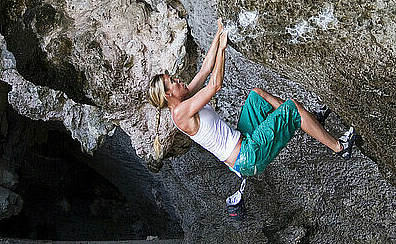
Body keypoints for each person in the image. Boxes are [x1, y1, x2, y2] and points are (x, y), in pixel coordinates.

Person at [147, 19, 356, 178]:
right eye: (172, 81)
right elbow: (215, 85)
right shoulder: (181, 113)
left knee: (257, 96)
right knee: (291, 108)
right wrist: (222, 50)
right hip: (246, 157)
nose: (177, 79)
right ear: (168, 94)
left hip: (243, 140)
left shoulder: (185, 101)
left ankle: (308, 121)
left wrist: (220, 32)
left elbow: (204, 71)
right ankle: (340, 147)